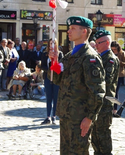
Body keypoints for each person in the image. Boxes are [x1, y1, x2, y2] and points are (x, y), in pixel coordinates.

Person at [49, 16, 105, 154]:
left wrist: (90, 117)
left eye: (73, 28)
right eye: (69, 28)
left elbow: (97, 92)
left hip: (80, 117)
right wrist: (54, 62)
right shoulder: (69, 56)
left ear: (84, 31)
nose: (69, 31)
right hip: (67, 114)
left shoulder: (90, 57)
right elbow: (57, 80)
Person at [91, 30, 120, 155]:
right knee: (95, 136)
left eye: (98, 42)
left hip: (105, 102)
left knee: (103, 135)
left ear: (107, 42)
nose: (96, 45)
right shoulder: (99, 57)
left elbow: (105, 80)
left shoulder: (110, 59)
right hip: (97, 101)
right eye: (95, 43)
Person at [40, 38, 63, 125]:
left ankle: (54, 116)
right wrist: (49, 70)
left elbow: (61, 66)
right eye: (50, 43)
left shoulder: (60, 54)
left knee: (56, 98)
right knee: (48, 98)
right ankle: (48, 116)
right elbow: (42, 66)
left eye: (53, 43)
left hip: (56, 79)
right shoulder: (45, 54)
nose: (51, 45)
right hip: (47, 78)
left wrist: (55, 66)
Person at [111, 40, 125, 116]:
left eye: (115, 49)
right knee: (110, 92)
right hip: (111, 74)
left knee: (116, 92)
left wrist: (118, 61)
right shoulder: (110, 53)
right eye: (112, 49)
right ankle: (110, 108)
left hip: (119, 75)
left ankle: (115, 109)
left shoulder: (122, 53)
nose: (113, 51)